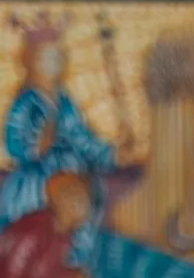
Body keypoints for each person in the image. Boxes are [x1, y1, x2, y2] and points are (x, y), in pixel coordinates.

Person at [0, 18, 129, 249]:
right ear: (30, 61)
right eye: (47, 58)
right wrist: (35, 147)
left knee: (86, 202)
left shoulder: (64, 101)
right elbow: (14, 143)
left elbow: (81, 136)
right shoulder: (25, 103)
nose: (53, 64)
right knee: (40, 212)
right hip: (35, 175)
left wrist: (110, 153)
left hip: (69, 164)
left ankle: (76, 260)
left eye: (57, 58)